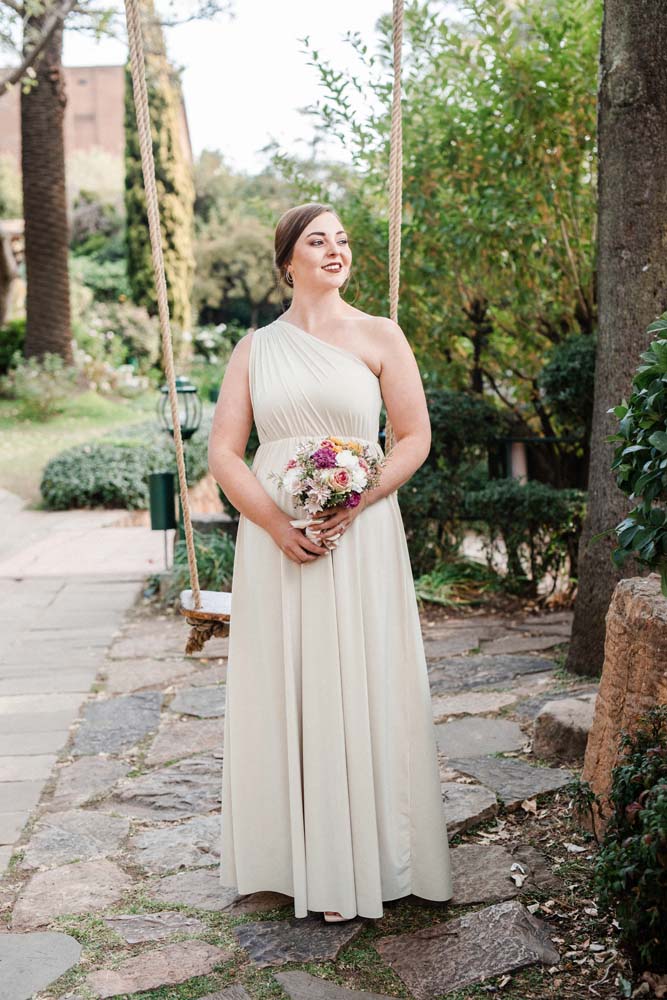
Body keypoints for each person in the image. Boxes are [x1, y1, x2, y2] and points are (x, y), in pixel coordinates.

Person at [208, 202, 452, 922]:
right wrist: (275, 524)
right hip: (277, 542)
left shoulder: (380, 335)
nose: (334, 250)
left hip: (362, 534)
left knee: (362, 671)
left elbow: (413, 436)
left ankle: (366, 857)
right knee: (290, 679)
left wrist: (359, 499)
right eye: (317, 241)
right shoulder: (255, 349)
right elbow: (225, 452)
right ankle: (295, 860)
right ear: (288, 260)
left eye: (341, 240)